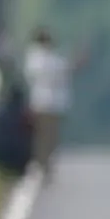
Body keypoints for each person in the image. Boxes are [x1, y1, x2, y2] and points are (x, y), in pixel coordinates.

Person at [20, 28, 72, 172]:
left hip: (44, 104)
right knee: (47, 137)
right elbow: (63, 71)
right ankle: (43, 164)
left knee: (45, 138)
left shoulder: (38, 58)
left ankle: (43, 164)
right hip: (48, 104)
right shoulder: (41, 58)